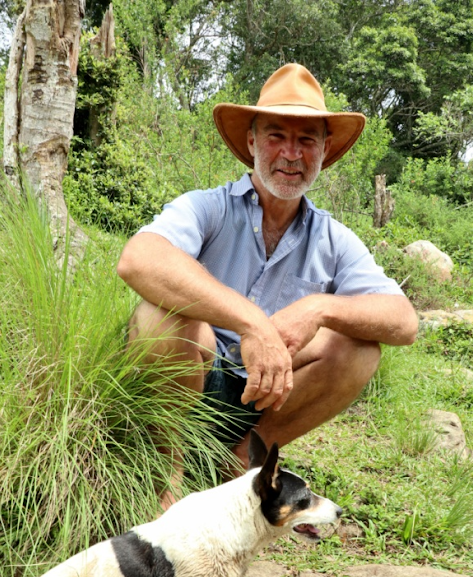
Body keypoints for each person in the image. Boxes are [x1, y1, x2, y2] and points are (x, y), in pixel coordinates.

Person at [117, 63, 418, 507]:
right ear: (252, 141)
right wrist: (251, 324)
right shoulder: (208, 208)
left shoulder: (333, 239)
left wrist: (319, 308)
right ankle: (167, 474)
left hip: (265, 399)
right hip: (188, 388)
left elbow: (404, 321)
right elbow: (138, 259)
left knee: (358, 349)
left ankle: (239, 466)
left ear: (325, 149)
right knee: (159, 317)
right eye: (276, 135)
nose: (291, 154)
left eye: (306, 140)